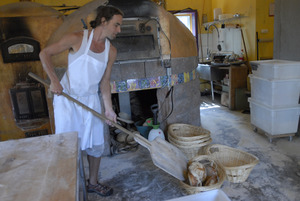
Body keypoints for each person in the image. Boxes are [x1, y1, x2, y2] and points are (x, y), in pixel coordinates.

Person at [39, 5, 124, 197]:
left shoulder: (111, 51)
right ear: (104, 21)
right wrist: (54, 81)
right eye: (116, 25)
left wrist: (109, 110)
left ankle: (93, 182)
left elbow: (104, 82)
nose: (119, 30)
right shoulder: (77, 38)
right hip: (67, 100)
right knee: (68, 146)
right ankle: (69, 187)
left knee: (96, 144)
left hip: (91, 100)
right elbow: (44, 54)